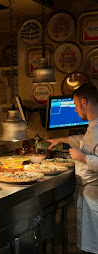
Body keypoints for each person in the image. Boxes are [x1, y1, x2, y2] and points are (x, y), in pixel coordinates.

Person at [47, 83, 98, 254]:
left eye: (76, 105)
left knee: (93, 245)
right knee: (89, 243)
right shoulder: (93, 126)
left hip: (95, 195)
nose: (75, 110)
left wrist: (81, 157)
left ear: (84, 102)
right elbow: (85, 141)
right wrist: (61, 139)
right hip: (88, 193)